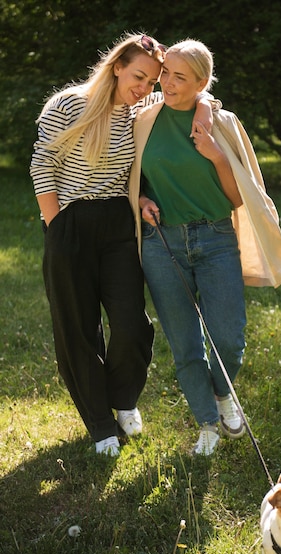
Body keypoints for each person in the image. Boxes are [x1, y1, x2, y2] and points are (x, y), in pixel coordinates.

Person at [30, 33, 214, 457]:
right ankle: (99, 422)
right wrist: (58, 226)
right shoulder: (67, 105)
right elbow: (42, 164)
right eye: (139, 77)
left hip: (119, 223)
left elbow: (199, 102)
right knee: (78, 329)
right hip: (69, 222)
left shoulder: (142, 110)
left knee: (132, 324)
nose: (145, 88)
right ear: (116, 66)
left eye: (152, 81)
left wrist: (202, 105)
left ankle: (124, 398)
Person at [129, 39, 250, 456]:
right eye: (166, 73)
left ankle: (222, 394)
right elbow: (133, 179)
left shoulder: (222, 122)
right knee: (184, 345)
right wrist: (141, 198)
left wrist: (216, 155)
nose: (167, 82)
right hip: (162, 243)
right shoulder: (143, 119)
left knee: (229, 339)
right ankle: (207, 424)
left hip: (215, 238)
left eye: (180, 77)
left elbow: (239, 198)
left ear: (202, 82)